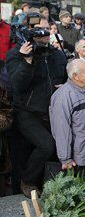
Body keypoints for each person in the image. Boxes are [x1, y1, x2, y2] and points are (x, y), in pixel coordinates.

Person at [5, 25, 67, 196]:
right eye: (38, 36)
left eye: (46, 35)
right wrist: (27, 60)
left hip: (52, 110)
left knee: (59, 148)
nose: (43, 39)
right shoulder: (15, 54)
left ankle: (53, 186)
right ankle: (27, 180)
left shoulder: (56, 54)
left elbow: (65, 77)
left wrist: (65, 86)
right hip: (27, 111)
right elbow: (17, 84)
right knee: (46, 145)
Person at [49, 59, 85, 177]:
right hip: (79, 161)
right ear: (75, 76)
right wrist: (65, 158)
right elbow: (61, 129)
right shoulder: (63, 96)